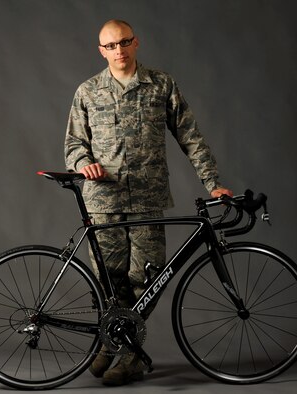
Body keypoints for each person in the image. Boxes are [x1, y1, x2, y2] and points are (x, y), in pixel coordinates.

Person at [64, 19, 233, 386]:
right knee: (108, 281)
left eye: (124, 42)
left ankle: (127, 353)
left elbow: (190, 136)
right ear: (101, 50)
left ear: (136, 42)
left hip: (147, 199)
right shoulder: (88, 91)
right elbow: (74, 144)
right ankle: (113, 345)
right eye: (110, 46)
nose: (119, 50)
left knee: (147, 277)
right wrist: (83, 164)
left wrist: (213, 183)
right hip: (103, 201)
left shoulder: (161, 85)